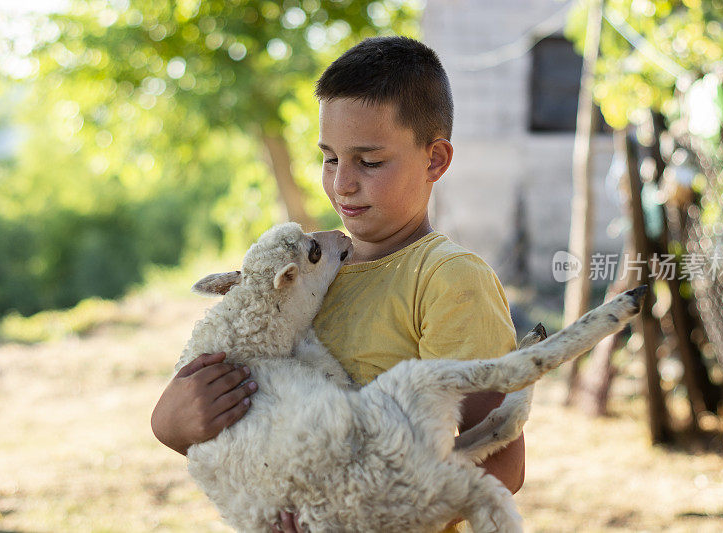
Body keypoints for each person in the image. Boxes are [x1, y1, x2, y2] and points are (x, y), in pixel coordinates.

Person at [151, 36, 524, 533]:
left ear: (435, 160)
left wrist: (346, 512)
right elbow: (246, 419)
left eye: (369, 162)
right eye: (330, 158)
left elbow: (501, 465)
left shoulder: (448, 280)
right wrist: (171, 424)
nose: (343, 182)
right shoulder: (303, 280)